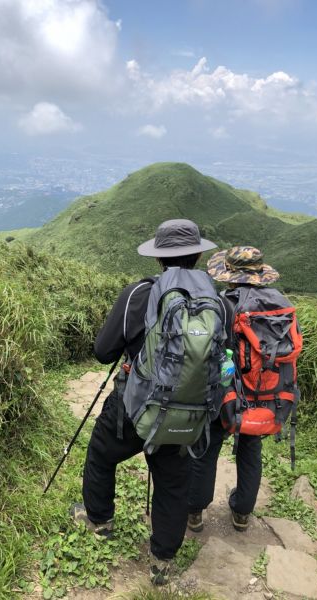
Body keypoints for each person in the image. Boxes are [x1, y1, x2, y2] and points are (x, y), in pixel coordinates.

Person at [71, 219, 217, 585]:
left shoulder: (137, 295)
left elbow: (103, 352)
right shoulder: (215, 300)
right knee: (173, 482)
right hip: (187, 412)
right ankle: (162, 561)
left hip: (134, 407)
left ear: (159, 259)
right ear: (198, 255)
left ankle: (99, 520)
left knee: (102, 454)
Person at [188, 246, 281, 533]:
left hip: (226, 391)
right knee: (251, 446)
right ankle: (242, 512)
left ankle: (195, 511)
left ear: (229, 275)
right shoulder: (280, 303)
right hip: (265, 393)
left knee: (208, 446)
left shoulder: (223, 303)